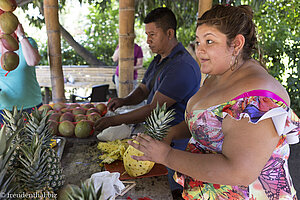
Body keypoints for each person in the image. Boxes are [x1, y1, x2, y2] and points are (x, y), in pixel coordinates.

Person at [128, 4, 300, 199]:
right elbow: (210, 122)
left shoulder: (258, 98)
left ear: (236, 44)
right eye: (198, 41)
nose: (200, 50)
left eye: (209, 41)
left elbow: (239, 171)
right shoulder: (219, 74)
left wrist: (166, 156)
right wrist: (173, 132)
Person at [95, 7, 201, 198]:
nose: (148, 40)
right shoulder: (160, 59)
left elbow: (153, 109)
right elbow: (143, 89)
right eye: (147, 34)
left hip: (174, 145)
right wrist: (123, 101)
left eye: (152, 34)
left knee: (167, 191)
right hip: (157, 139)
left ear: (169, 33)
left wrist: (114, 120)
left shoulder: (181, 66)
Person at [0, 23, 42, 124]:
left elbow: (32, 61)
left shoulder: (27, 42)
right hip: (5, 109)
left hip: (32, 106)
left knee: (35, 139)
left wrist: (21, 35)